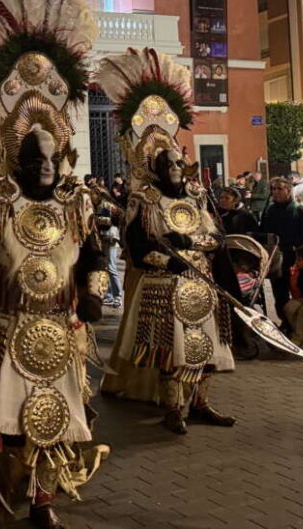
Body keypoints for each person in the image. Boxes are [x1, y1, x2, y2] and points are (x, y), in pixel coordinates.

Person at [0, 0, 108, 528]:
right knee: (11, 413)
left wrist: (92, 293)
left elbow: (93, 257)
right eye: (33, 156)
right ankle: (5, 470)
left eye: (49, 156)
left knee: (55, 413)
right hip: (8, 324)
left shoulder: (76, 203)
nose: (43, 165)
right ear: (17, 155)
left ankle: (44, 496)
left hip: (61, 327)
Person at [98, 48, 235, 436]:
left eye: (179, 163)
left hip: (201, 280)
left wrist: (200, 245)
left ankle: (203, 403)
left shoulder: (195, 196)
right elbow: (138, 247)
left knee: (205, 349)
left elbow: (214, 235)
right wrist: (168, 257)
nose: (176, 168)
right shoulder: (145, 201)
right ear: (156, 167)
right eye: (169, 164)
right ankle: (174, 408)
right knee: (171, 352)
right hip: (165, 285)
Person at [259, 177, 303, 329]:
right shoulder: (269, 210)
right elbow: (263, 231)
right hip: (276, 260)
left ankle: (299, 328)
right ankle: (286, 324)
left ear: (289, 191)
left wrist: (293, 246)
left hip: (294, 260)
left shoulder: (300, 211)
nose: (275, 192)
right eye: (273, 189)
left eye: (279, 189)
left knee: (298, 294)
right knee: (279, 294)